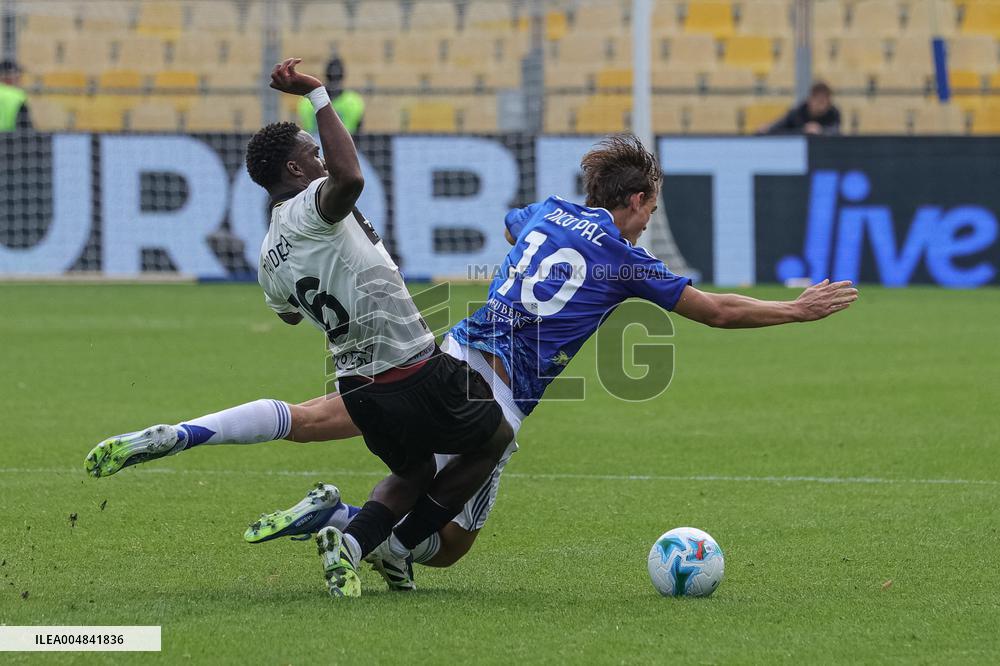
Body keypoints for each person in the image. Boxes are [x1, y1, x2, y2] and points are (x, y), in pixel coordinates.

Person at [242, 134, 858, 581]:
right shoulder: (625, 258)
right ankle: (362, 537)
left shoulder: (547, 212)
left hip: (452, 354)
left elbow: (514, 228)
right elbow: (716, 310)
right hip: (501, 394)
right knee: (452, 544)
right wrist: (794, 310)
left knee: (401, 463)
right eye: (650, 209)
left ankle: (343, 522)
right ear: (639, 200)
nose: (648, 222)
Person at [84, 59, 514, 599]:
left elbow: (289, 313)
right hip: (411, 365)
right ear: (293, 171)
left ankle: (351, 546)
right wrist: (317, 95)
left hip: (358, 389)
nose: (321, 157)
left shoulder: (268, 255)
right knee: (495, 436)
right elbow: (351, 177)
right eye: (312, 154)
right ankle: (399, 548)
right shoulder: (311, 208)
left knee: (413, 470)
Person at [296, 55, 364, 135]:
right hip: (345, 145)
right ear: (343, 75)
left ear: (326, 74)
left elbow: (305, 128)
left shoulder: (307, 101)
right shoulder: (354, 101)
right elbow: (358, 132)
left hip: (315, 145)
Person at [761, 81, 841, 136]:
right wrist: (769, 129)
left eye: (824, 101)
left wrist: (821, 131)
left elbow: (835, 130)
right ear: (810, 99)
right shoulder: (798, 112)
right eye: (819, 101)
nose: (821, 105)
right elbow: (781, 125)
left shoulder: (833, 113)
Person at [0, 58, 33, 132]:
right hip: (7, 140)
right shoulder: (16, 96)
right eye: (18, 75)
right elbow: (25, 127)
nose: (20, 79)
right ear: (8, 77)